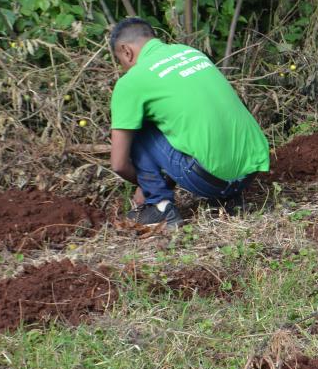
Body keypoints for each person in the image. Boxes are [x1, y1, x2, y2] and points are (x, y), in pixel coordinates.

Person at [109, 18, 270, 227]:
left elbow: (119, 164)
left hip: (213, 182)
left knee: (136, 127)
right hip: (249, 173)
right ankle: (230, 199)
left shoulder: (132, 81)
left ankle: (160, 206)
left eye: (120, 60)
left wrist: (147, 185)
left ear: (126, 51)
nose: (123, 68)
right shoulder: (190, 52)